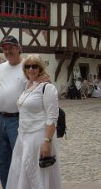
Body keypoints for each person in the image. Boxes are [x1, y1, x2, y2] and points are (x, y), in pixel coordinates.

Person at [6, 54, 61, 189]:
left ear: (40, 68)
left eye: (34, 66)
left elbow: (52, 117)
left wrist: (47, 142)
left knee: (37, 176)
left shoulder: (47, 88)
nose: (31, 69)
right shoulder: (28, 86)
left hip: (38, 137)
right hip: (23, 136)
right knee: (21, 174)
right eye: (27, 66)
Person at [0, 35, 27, 188]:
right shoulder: (0, 68)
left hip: (17, 120)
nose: (7, 51)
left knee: (19, 160)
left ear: (18, 47)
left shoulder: (28, 66)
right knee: (1, 161)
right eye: (4, 48)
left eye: (11, 47)